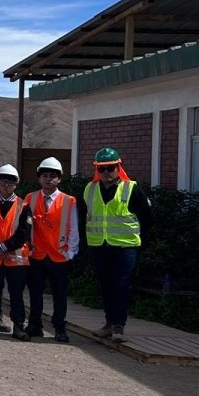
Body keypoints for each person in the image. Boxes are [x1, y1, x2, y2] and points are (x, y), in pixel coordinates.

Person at [79, 147, 152, 343]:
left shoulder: (132, 189)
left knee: (121, 285)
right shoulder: (89, 189)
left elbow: (147, 218)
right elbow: (84, 217)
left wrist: (139, 240)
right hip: (99, 246)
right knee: (105, 285)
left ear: (118, 167)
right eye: (101, 169)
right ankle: (109, 323)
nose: (106, 172)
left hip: (125, 247)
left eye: (110, 168)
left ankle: (119, 325)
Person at [25, 156, 78, 342]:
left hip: (59, 256)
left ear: (59, 179)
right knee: (35, 293)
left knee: (60, 295)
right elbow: (25, 226)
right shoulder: (30, 198)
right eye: (45, 176)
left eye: (53, 176)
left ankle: (59, 328)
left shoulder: (69, 201)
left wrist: (70, 253)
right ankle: (35, 325)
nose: (49, 179)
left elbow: (73, 229)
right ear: (39, 178)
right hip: (37, 254)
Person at [0, 165, 33, 339]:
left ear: (16, 184)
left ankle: (18, 325)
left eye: (10, 183)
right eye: (3, 182)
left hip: (15, 258)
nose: (6, 186)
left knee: (16, 294)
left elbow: (24, 233)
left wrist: (4, 247)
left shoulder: (24, 205)